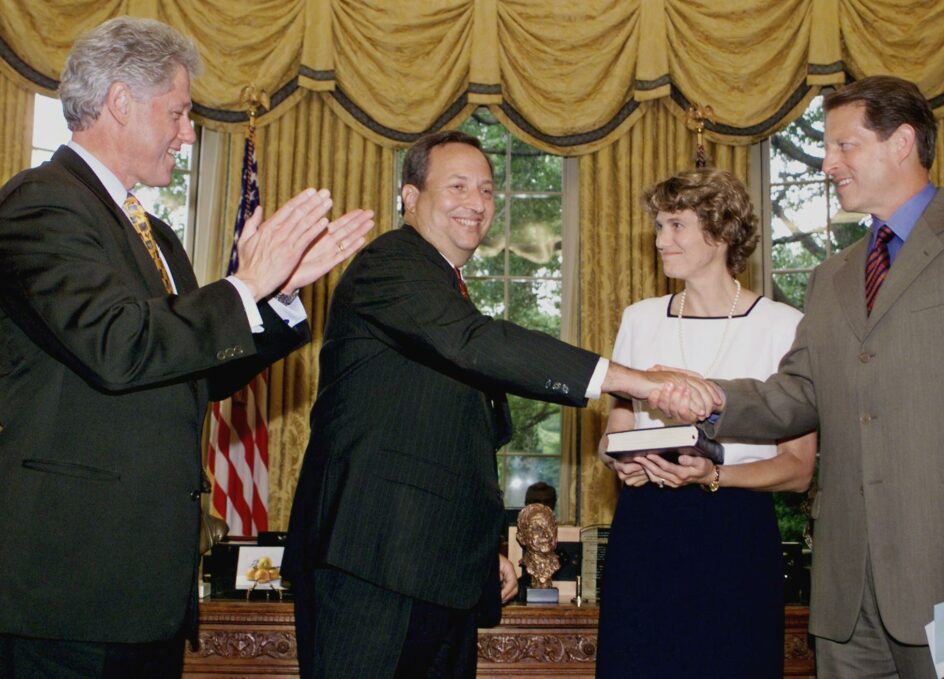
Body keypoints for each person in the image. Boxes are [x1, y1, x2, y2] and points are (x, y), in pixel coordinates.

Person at [0, 17, 374, 678]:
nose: (189, 133)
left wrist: (277, 296)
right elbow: (117, 345)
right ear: (121, 102)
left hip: (146, 593)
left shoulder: (155, 233)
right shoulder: (40, 204)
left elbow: (199, 370)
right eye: (177, 113)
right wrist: (244, 285)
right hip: (66, 595)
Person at [282, 130, 705, 679]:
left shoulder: (443, 289)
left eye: (486, 189)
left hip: (436, 570)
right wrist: (637, 381)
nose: (477, 202)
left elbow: (448, 445)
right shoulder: (390, 262)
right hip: (372, 561)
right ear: (410, 197)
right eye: (457, 186)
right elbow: (477, 342)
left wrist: (482, 550)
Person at [652, 76, 944, 677]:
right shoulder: (832, 277)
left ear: (902, 142)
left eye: (843, 146)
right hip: (847, 593)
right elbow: (798, 393)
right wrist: (712, 398)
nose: (827, 164)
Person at [594, 168, 817, 678]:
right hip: (645, 529)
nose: (660, 240)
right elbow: (614, 433)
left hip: (735, 533)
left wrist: (714, 475)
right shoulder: (639, 318)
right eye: (658, 226)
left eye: (676, 226)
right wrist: (621, 460)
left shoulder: (783, 326)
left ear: (721, 232)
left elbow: (798, 468)